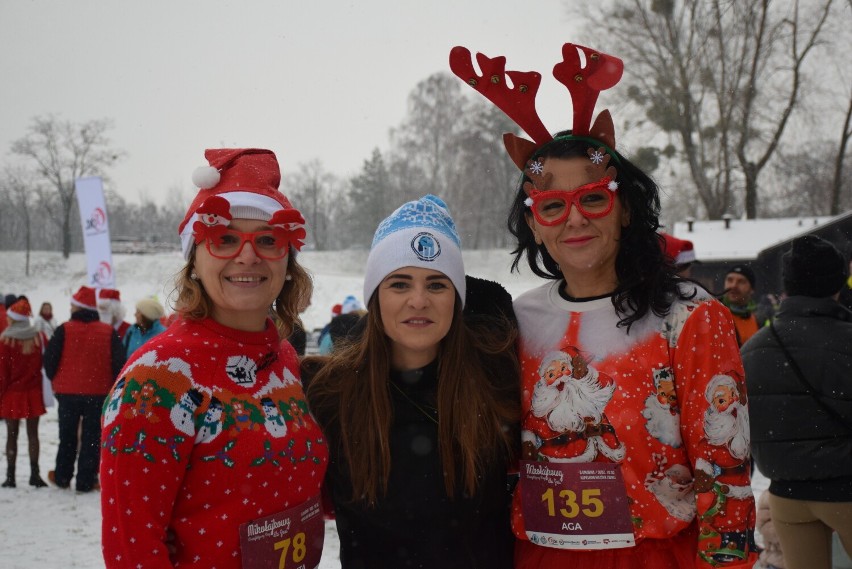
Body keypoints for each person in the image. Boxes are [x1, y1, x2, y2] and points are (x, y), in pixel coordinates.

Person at [451, 41, 758, 567]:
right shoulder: (518, 319)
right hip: (540, 554)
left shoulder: (688, 316)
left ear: (625, 210)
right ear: (533, 224)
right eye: (552, 205)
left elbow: (724, 462)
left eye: (593, 198)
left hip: (655, 555)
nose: (575, 219)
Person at [99, 148, 328, 568]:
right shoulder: (158, 379)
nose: (247, 255)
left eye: (267, 239)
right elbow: (132, 547)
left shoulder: (285, 360)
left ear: (288, 262)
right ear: (194, 263)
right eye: (224, 239)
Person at [304, 195, 520, 569]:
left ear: (457, 297)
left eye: (437, 285)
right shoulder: (328, 392)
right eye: (400, 284)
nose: (419, 300)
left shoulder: (496, 381)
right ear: (375, 297)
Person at [741, 235, 852, 569]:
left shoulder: (754, 348)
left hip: (785, 495)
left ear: (788, 284)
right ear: (838, 282)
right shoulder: (846, 341)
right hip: (846, 489)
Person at [43, 285, 124, 492]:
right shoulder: (108, 332)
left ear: (77, 308)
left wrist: (57, 380)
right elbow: (118, 363)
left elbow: (50, 360)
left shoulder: (63, 329)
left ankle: (62, 476)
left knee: (67, 436)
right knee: (91, 438)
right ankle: (86, 480)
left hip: (67, 393)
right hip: (98, 393)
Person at [0, 298, 48, 488]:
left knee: (12, 435)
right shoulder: (38, 338)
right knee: (33, 434)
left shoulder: (5, 340)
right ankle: (34, 474)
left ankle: (10, 476)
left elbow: (2, 373)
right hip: (33, 392)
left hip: (12, 394)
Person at [721, 264, 760, 345]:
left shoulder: (759, 320)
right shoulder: (713, 315)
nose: (733, 285)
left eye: (741, 281)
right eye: (730, 280)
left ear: (752, 289)